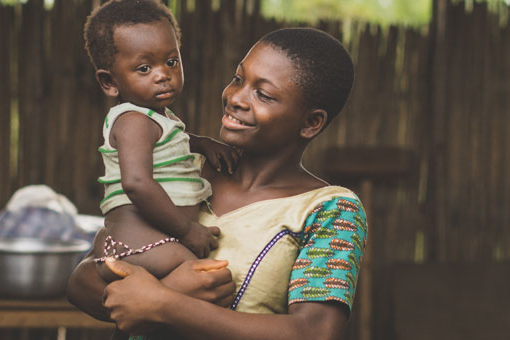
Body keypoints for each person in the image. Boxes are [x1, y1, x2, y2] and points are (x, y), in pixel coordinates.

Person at [68, 27, 366, 340]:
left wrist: (165, 304)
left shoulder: (330, 210)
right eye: (238, 79)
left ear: (311, 123)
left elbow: (315, 332)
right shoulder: (182, 170)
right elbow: (83, 280)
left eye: (263, 94)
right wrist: (163, 294)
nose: (236, 98)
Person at [83, 0, 240, 285]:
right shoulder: (133, 121)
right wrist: (186, 230)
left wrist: (202, 144)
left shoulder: (152, 119)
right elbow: (137, 183)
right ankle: (136, 286)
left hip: (143, 243)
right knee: (208, 280)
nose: (162, 74)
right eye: (144, 68)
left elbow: (168, 142)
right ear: (110, 82)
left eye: (171, 61)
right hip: (141, 245)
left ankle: (135, 284)